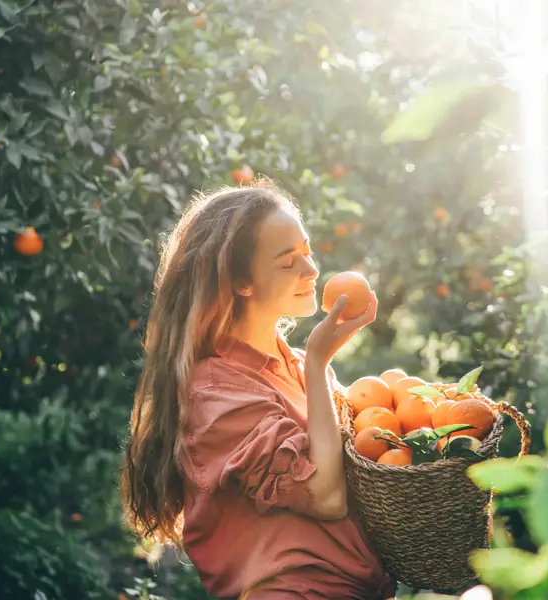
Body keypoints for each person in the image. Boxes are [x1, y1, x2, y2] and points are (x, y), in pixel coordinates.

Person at [120, 181, 395, 599]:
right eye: (288, 262)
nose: (312, 270)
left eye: (307, 251)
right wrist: (321, 361)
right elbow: (327, 497)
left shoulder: (299, 366)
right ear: (240, 282)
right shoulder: (214, 394)